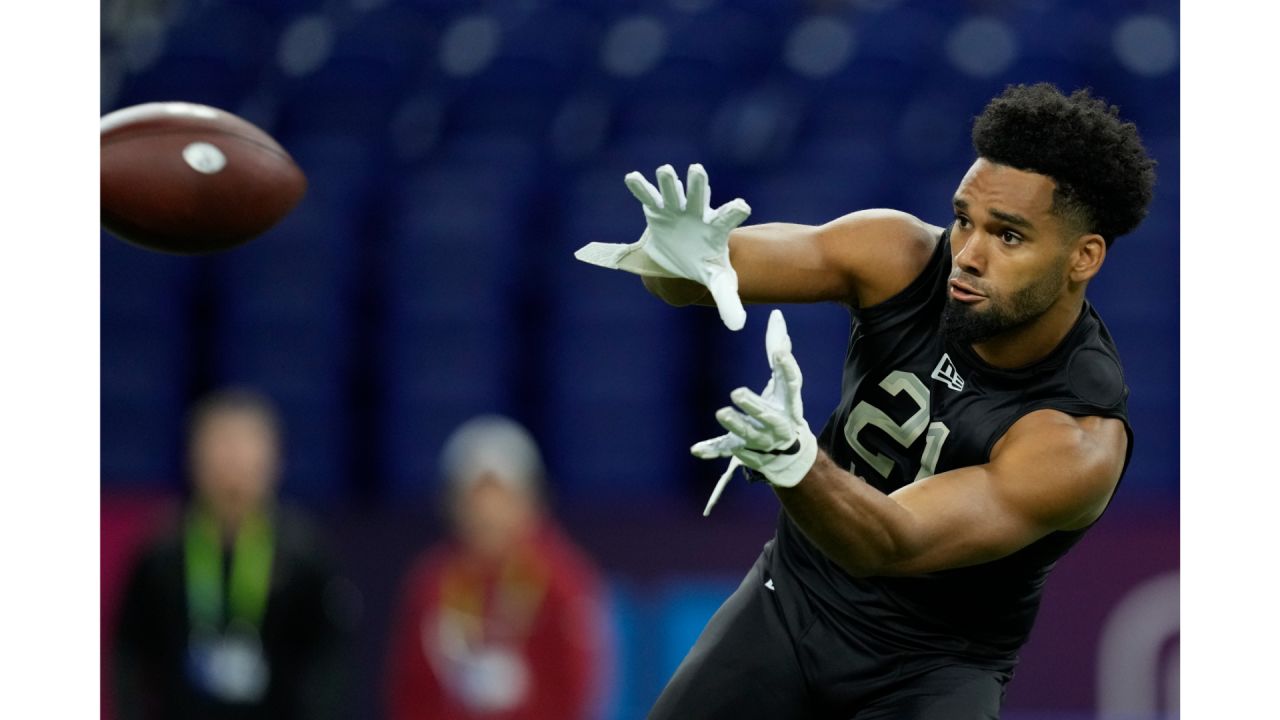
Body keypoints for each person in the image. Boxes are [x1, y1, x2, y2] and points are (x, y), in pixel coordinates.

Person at [577, 83, 1155, 718]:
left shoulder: (1074, 438)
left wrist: (797, 462)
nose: (967, 255)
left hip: (932, 668)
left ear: (1084, 257)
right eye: (964, 219)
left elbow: (891, 543)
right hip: (792, 602)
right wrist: (674, 260)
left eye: (1009, 237)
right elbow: (702, 279)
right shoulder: (898, 254)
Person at [113, 388, 353, 720]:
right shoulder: (162, 550)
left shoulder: (304, 554)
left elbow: (330, 664)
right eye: (220, 446)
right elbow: (130, 655)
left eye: (245, 447)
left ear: (274, 460)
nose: (232, 463)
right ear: (193, 457)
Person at [386, 415, 610, 720]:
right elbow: (407, 691)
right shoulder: (432, 584)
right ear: (453, 505)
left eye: (500, 497)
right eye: (475, 499)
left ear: (530, 501)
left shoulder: (563, 581)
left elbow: (578, 687)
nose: (488, 514)